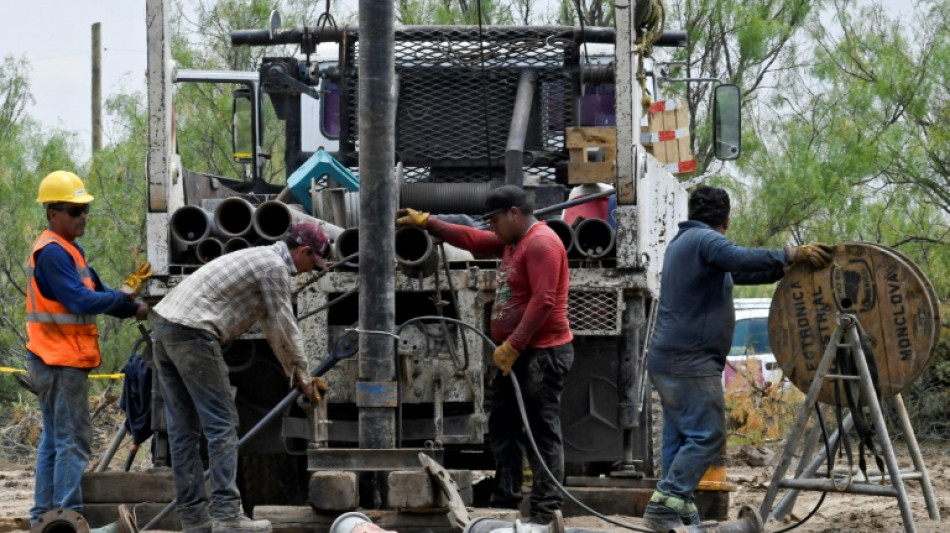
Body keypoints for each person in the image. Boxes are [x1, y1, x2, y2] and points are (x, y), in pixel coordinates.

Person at [641, 185, 833, 532]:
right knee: (708, 435)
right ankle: (664, 505)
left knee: (681, 436)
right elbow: (740, 259)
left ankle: (676, 509)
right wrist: (791, 254)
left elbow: (741, 271)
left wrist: (783, 268)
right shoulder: (707, 242)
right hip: (690, 362)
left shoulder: (684, 244)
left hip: (668, 359)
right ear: (726, 220)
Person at [397, 185, 573, 524]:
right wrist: (429, 222)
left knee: (541, 429)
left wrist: (515, 344)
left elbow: (544, 300)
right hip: (518, 354)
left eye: (494, 219)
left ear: (514, 214)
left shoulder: (541, 243)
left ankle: (546, 510)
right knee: (503, 426)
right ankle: (505, 500)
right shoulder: (514, 241)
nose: (491, 226)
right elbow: (473, 240)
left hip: (541, 354)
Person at [150, 221, 331, 533]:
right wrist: (304, 374)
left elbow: (273, 329)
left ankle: (194, 520)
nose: (308, 271)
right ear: (302, 251)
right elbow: (284, 326)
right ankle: (227, 515)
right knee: (222, 424)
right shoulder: (274, 267)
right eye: (312, 263)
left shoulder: (258, 258)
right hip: (194, 333)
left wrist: (296, 372)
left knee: (183, 431)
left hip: (165, 328)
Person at [26, 171, 150, 524]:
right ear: (52, 212)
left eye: (85, 209)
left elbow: (100, 294)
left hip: (58, 360)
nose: (83, 216)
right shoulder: (51, 253)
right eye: (74, 210)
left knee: (54, 439)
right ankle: (67, 518)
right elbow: (81, 300)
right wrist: (124, 296)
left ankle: (43, 517)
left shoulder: (70, 251)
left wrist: (136, 308)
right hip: (58, 361)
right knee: (71, 441)